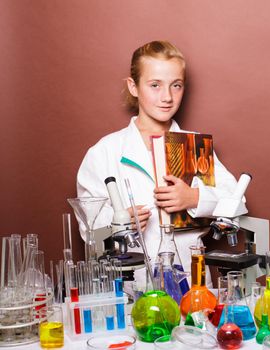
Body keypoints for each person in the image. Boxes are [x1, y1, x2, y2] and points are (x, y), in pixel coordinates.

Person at [76, 40, 246, 287]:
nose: (167, 97)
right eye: (155, 85)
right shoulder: (104, 152)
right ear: (133, 87)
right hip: (130, 285)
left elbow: (238, 202)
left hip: (192, 281)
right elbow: (88, 228)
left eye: (176, 86)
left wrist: (194, 198)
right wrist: (118, 221)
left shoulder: (195, 146)